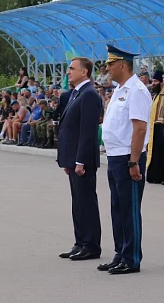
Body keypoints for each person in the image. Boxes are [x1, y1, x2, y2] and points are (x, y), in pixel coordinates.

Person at [99, 44, 151, 275]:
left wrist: (133, 161)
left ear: (122, 65)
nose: (107, 68)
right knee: (118, 208)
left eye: (110, 64)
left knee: (129, 210)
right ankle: (120, 253)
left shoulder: (137, 90)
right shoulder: (120, 90)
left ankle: (131, 258)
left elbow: (139, 128)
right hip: (115, 157)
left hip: (128, 158)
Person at [57, 57, 102, 262]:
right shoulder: (75, 94)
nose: (68, 72)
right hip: (73, 159)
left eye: (72, 69)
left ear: (84, 72)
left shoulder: (89, 94)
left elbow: (87, 131)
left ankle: (91, 245)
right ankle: (80, 241)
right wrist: (67, 160)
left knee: (86, 202)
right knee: (78, 202)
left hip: (82, 160)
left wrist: (80, 161)